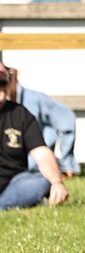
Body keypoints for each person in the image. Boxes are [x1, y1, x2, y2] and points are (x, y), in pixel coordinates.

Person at [0, 64, 69, 210]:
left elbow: (41, 152)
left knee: (43, 181)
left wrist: (57, 182)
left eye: (2, 83)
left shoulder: (20, 114)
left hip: (12, 184)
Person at [1, 63, 80, 177]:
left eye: (2, 81)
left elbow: (67, 123)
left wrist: (66, 163)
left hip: (36, 171)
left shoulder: (35, 100)